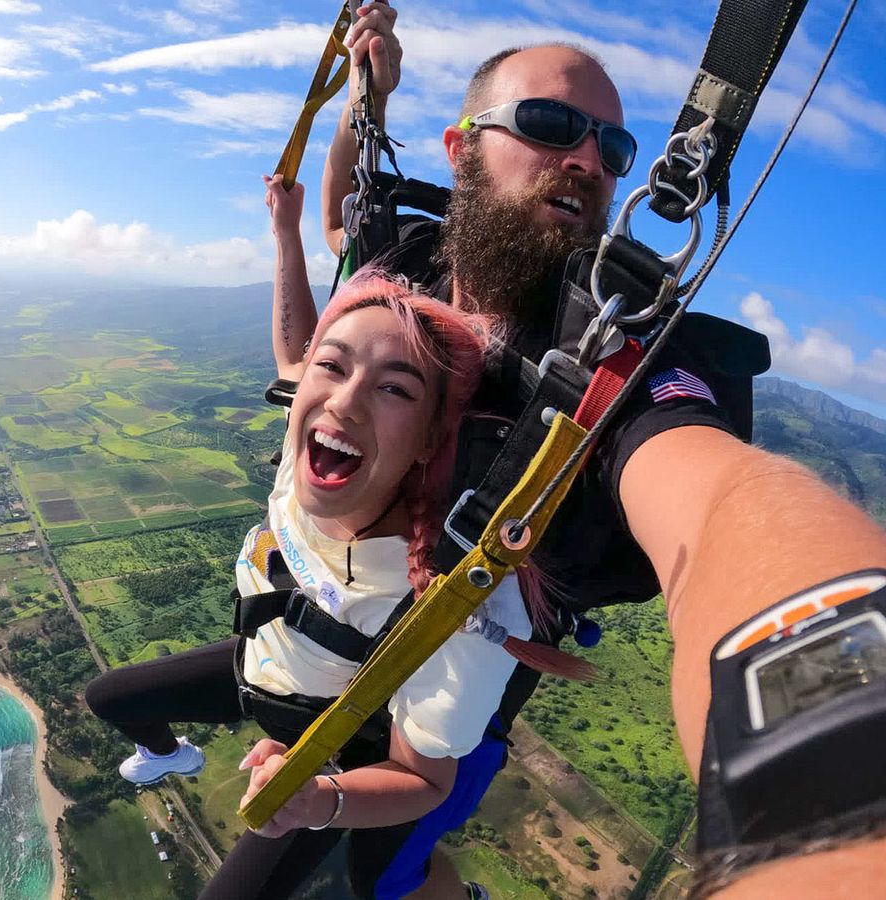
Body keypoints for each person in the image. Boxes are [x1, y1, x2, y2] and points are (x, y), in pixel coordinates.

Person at [307, 4, 886, 898]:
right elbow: (347, 222)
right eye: (549, 125)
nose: (588, 159)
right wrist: (363, 103)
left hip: (452, 700)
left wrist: (835, 787)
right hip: (343, 621)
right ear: (462, 148)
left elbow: (718, 500)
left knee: (383, 881)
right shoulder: (414, 262)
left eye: (614, 151)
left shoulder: (618, 355)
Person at [84, 191, 588, 899]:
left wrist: (324, 798)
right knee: (107, 696)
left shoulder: (456, 598)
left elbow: (420, 778)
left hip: (351, 742)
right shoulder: (313, 436)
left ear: (427, 445)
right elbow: (295, 346)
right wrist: (290, 222)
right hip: (270, 670)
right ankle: (171, 755)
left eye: (395, 389)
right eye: (335, 367)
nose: (344, 402)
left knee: (382, 883)